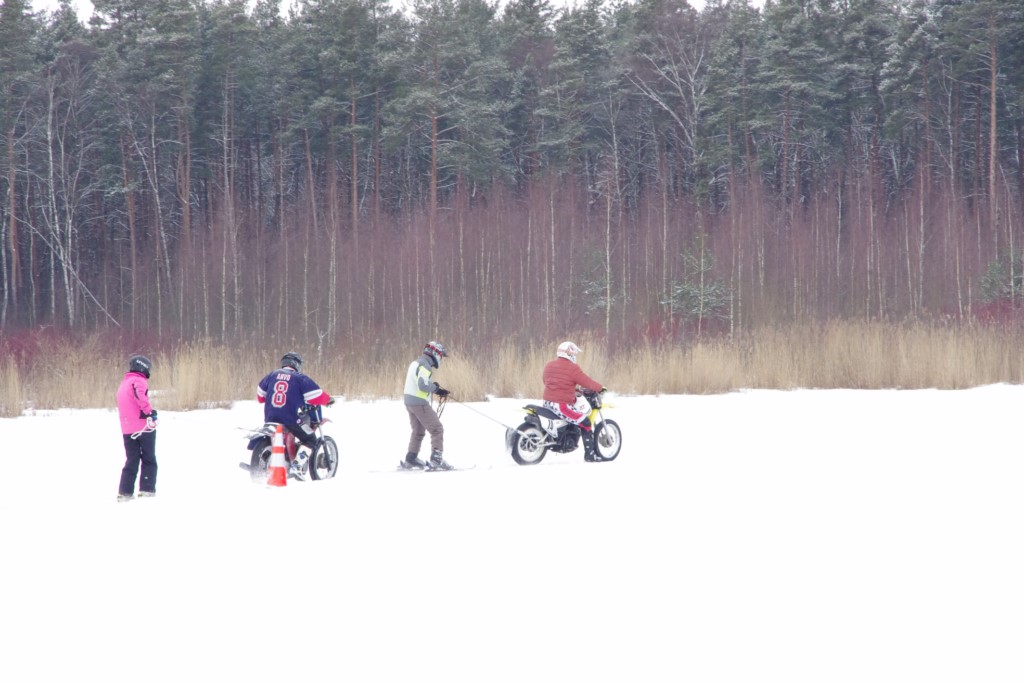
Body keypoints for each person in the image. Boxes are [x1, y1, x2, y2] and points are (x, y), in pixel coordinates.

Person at [256, 351, 333, 473]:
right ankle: (296, 467)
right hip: (290, 419)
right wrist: (329, 400)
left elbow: (260, 397)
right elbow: (317, 396)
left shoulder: (272, 375)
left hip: (270, 418)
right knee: (311, 439)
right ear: (297, 365)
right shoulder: (300, 378)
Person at [542, 341, 607, 462]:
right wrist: (600, 388)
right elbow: (586, 381)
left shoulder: (549, 365)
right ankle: (590, 455)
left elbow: (547, 381)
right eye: (574, 354)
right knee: (585, 422)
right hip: (561, 406)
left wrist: (573, 389)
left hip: (547, 403)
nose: (575, 356)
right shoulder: (572, 368)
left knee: (572, 418)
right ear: (569, 354)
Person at [401, 341, 453, 470]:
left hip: (409, 402)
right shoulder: (425, 365)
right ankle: (436, 460)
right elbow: (422, 385)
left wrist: (434, 387)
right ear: (435, 353)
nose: (441, 359)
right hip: (419, 403)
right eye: (441, 356)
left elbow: (418, 382)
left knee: (418, 431)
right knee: (437, 429)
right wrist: (437, 389)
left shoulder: (415, 363)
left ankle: (411, 458)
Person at [116, 354, 159, 501]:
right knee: (149, 458)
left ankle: (125, 492)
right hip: (143, 427)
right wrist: (150, 412)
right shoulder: (138, 381)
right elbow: (140, 396)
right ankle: (147, 490)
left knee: (132, 460)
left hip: (127, 429)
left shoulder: (124, 383)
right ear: (143, 367)